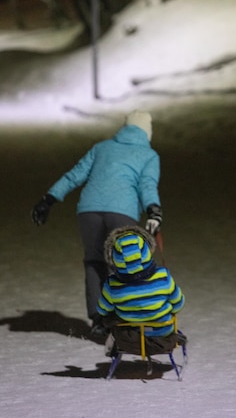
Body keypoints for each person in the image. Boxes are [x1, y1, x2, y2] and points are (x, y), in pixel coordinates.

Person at [31, 110, 163, 337]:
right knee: (127, 264)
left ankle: (99, 319)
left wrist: (48, 200)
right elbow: (147, 185)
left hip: (89, 211)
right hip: (122, 213)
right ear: (147, 131)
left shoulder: (102, 147)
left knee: (94, 262)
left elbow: (75, 175)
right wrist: (154, 210)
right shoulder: (148, 155)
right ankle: (125, 320)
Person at [96, 225, 185, 356]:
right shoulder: (163, 276)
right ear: (146, 252)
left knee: (111, 317)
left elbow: (102, 310)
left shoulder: (112, 284)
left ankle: (114, 344)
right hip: (162, 337)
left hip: (131, 341)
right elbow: (179, 303)